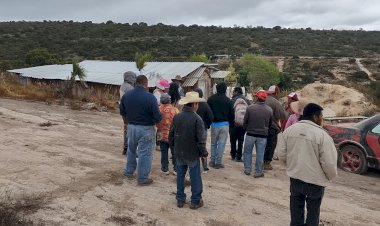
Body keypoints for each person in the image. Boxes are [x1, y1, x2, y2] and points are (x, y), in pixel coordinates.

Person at [278, 103, 337, 226]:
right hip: (315, 181)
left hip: (295, 177)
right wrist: (330, 177)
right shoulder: (322, 136)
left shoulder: (289, 130)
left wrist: (292, 166)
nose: (322, 119)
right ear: (315, 117)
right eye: (321, 116)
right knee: (313, 213)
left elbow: (282, 154)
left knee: (296, 209)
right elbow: (329, 163)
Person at [120, 75, 162, 186]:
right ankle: (143, 178)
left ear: (135, 83)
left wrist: (126, 123)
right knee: (145, 153)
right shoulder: (150, 98)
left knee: (131, 150)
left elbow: (123, 112)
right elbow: (157, 117)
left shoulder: (127, 96)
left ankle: (129, 172)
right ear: (146, 84)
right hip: (146, 129)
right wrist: (160, 130)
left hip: (131, 127)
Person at [169, 91, 208, 209]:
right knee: (195, 176)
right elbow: (201, 140)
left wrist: (174, 149)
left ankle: (180, 199)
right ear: (195, 104)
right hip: (192, 152)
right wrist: (203, 152)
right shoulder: (197, 119)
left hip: (179, 151)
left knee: (180, 175)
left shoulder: (177, 116)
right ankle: (195, 201)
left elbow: (171, 136)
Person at [242, 90, 273, 178]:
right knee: (260, 153)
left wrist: (246, 129)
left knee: (247, 152)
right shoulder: (269, 110)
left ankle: (247, 169)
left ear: (257, 98)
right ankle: (258, 171)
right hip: (263, 136)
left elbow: (245, 122)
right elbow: (270, 124)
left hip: (250, 134)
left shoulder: (250, 108)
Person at [207, 82, 234, 169]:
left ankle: (212, 161)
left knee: (213, 144)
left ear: (216, 89)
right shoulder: (229, 101)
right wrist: (231, 123)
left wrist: (209, 122)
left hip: (214, 124)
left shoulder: (211, 99)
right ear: (225, 90)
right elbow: (232, 114)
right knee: (221, 144)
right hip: (225, 125)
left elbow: (208, 112)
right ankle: (218, 163)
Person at [264, 85, 287, 170]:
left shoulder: (263, 98)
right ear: (276, 93)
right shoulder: (275, 102)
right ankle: (267, 163)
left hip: (262, 126)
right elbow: (283, 116)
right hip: (272, 127)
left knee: (263, 145)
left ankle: (260, 161)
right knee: (271, 145)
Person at [156, 94, 179, 174]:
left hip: (161, 134)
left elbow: (156, 121)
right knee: (175, 152)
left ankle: (165, 168)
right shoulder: (175, 110)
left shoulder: (158, 109)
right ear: (169, 100)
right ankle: (176, 169)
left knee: (164, 151)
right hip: (173, 135)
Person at [194, 88, 214, 172]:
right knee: (202, 146)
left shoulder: (190, 104)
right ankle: (205, 166)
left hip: (191, 128)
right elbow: (211, 117)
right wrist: (207, 125)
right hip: (203, 129)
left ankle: (194, 165)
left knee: (192, 146)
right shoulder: (205, 104)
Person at [119, 71, 137, 155]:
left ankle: (125, 147)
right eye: (133, 77)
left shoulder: (123, 86)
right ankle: (128, 148)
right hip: (129, 111)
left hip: (123, 111)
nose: (134, 79)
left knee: (126, 129)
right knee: (131, 130)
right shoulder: (130, 88)